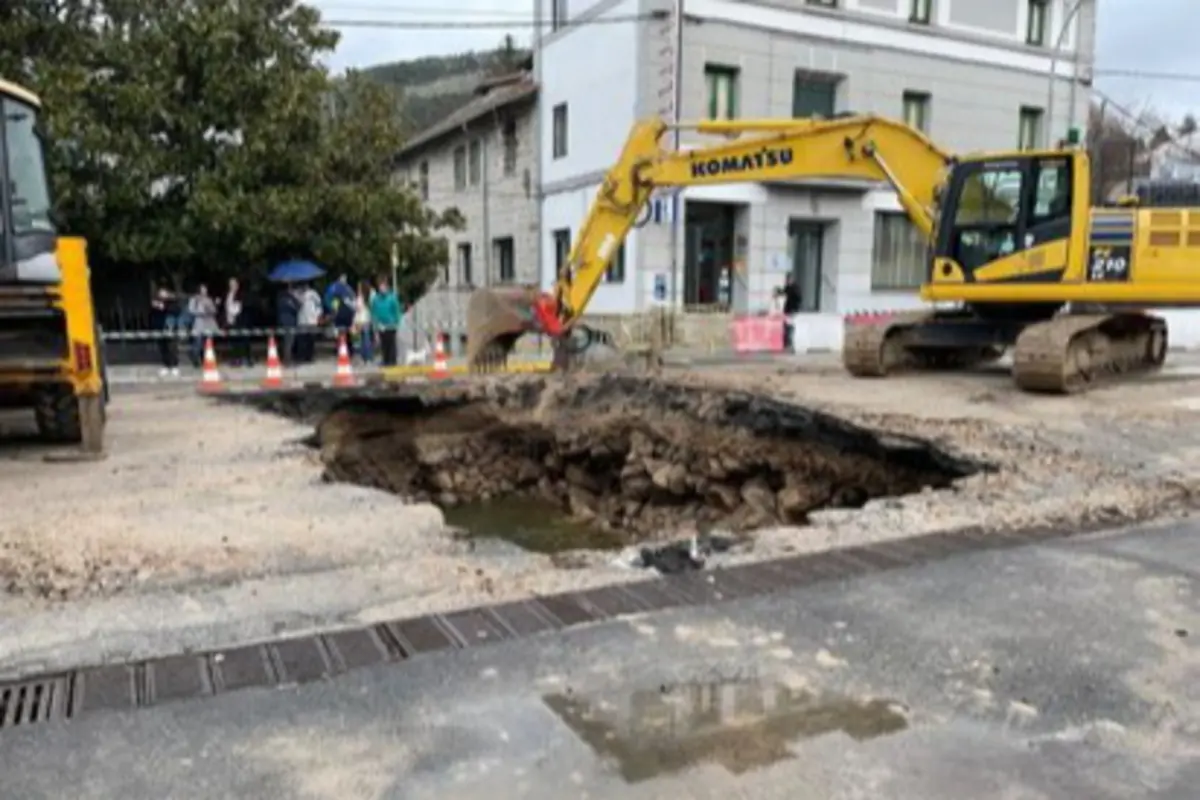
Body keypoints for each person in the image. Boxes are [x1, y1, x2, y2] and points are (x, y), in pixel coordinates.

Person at [369, 277, 402, 366]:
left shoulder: (392, 298)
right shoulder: (376, 299)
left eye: (383, 287)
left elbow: (397, 311)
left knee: (391, 344)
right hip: (381, 325)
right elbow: (373, 312)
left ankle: (392, 361)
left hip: (391, 325)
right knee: (383, 344)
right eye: (380, 287)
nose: (382, 289)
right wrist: (375, 323)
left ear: (387, 287)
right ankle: (385, 360)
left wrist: (397, 322)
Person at [149, 287, 180, 377]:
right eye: (161, 293)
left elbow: (176, 311)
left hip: (170, 327)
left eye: (164, 293)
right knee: (162, 347)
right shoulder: (156, 302)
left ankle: (174, 365)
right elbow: (153, 314)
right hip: (159, 327)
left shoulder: (172, 303)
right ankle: (166, 365)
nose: (162, 295)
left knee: (172, 347)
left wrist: (164, 307)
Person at [222, 277, 253, 367]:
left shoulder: (241, 294)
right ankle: (236, 359)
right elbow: (225, 307)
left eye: (234, 284)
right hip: (230, 321)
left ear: (237, 285)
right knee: (234, 341)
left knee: (244, 340)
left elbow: (239, 308)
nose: (232, 286)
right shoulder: (227, 294)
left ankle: (248, 359)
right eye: (230, 284)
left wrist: (233, 311)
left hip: (240, 320)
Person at [187, 284, 219, 368]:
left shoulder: (209, 299)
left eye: (205, 289)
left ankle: (207, 360)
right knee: (198, 343)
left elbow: (214, 310)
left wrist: (210, 309)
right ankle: (195, 359)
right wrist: (200, 312)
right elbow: (191, 310)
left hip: (209, 323)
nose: (204, 291)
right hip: (199, 323)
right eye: (202, 289)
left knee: (208, 343)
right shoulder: (194, 299)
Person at [774, 275, 802, 353]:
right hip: (788, 310)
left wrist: (795, 308)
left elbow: (798, 298)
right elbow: (784, 292)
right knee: (786, 326)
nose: (787, 282)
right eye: (786, 280)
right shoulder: (788, 287)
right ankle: (786, 344)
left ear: (791, 280)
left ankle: (790, 344)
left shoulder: (795, 288)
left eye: (788, 280)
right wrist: (778, 291)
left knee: (789, 326)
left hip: (792, 310)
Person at [297, 282, 323, 363]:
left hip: (312, 320)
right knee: (302, 339)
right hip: (302, 320)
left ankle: (310, 357)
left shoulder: (314, 294)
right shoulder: (298, 294)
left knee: (311, 340)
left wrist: (318, 315)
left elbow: (319, 305)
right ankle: (301, 356)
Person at [353, 280, 374, 365]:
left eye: (359, 287)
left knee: (362, 340)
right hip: (365, 320)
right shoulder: (370, 296)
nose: (358, 288)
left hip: (360, 320)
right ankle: (367, 358)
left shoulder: (361, 297)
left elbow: (357, 308)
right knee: (365, 340)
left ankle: (365, 358)